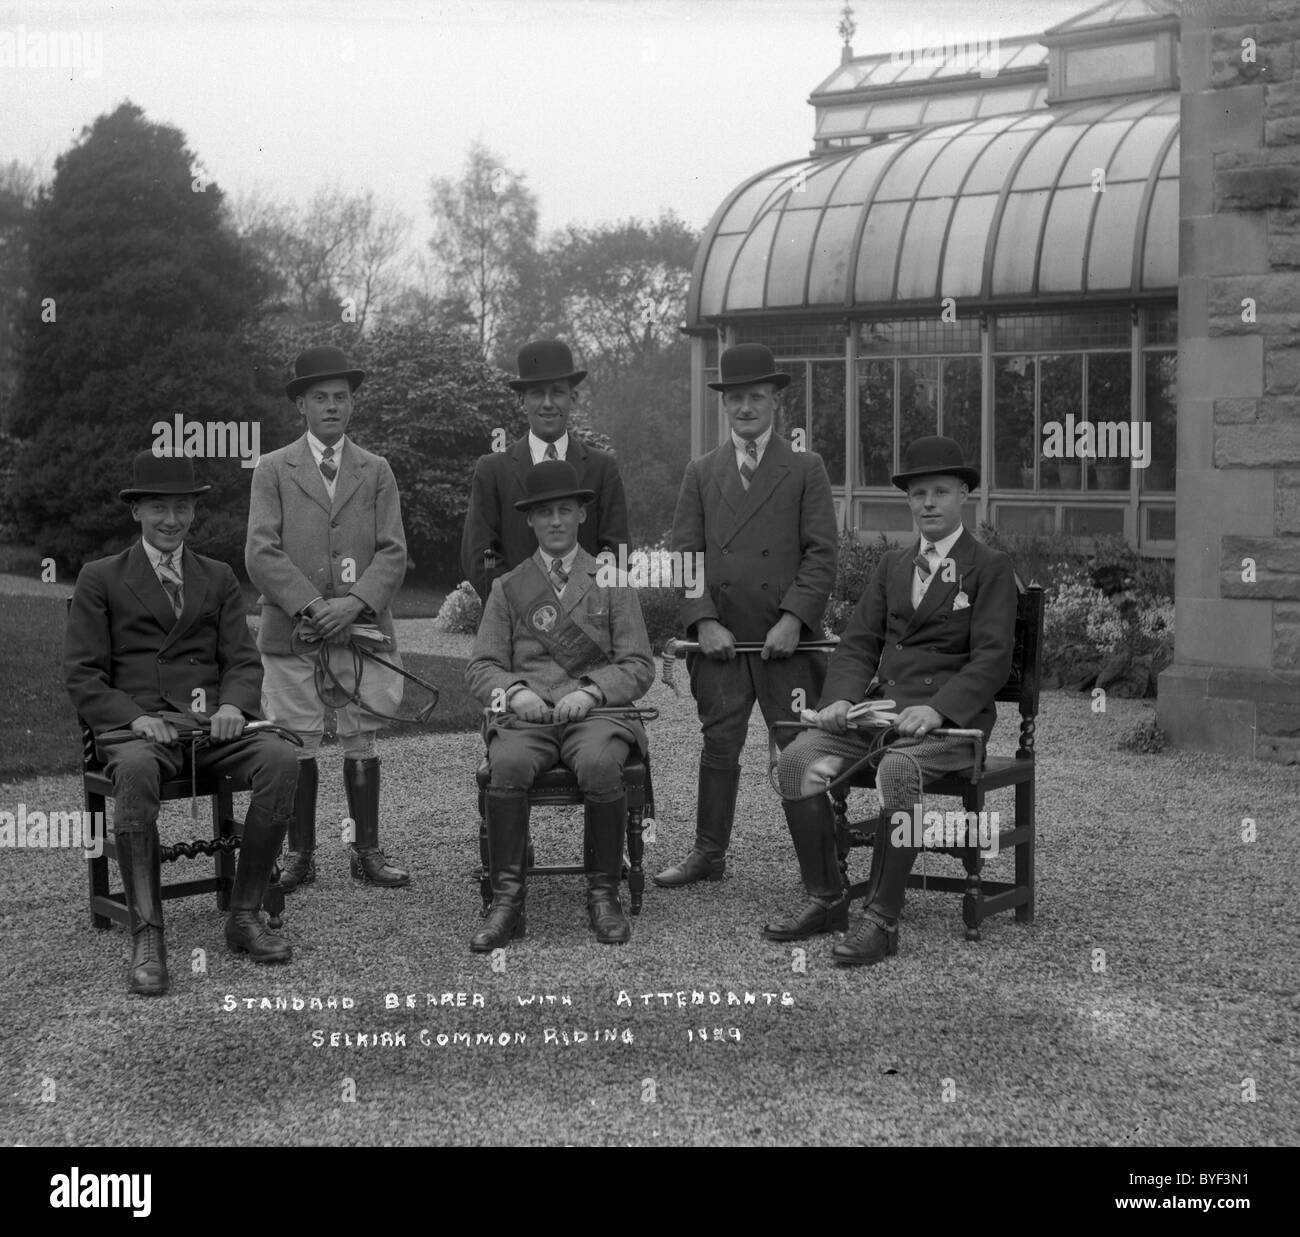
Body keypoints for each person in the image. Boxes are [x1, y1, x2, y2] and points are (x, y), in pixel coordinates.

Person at [769, 435, 1017, 964]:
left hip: (952, 727)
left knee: (899, 772)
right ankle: (828, 898)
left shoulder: (990, 567)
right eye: (918, 493)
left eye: (941, 492)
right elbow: (859, 643)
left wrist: (940, 708)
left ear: (964, 496)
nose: (928, 503)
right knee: (795, 763)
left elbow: (992, 658)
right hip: (879, 717)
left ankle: (881, 920)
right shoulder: (893, 566)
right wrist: (839, 697)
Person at [65, 453, 298, 996]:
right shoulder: (101, 578)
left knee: (282, 760)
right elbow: (82, 675)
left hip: (207, 731)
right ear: (138, 512)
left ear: (194, 512)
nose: (171, 520)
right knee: (138, 772)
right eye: (158, 508)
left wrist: (235, 707)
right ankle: (148, 935)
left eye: (182, 508)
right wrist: (137, 717)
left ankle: (243, 915)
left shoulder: (216, 577)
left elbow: (242, 659)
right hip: (138, 732)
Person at [654, 343, 838, 889]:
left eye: (756, 396)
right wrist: (704, 621)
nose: (745, 407)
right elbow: (686, 558)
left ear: (775, 402)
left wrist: (794, 619)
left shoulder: (806, 467)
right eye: (735, 398)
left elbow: (821, 553)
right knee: (719, 745)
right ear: (725, 404)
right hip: (723, 644)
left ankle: (823, 862)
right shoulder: (702, 471)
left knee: (802, 749)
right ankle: (708, 854)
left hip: (788, 643)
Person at [465, 459, 654, 951]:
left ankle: (604, 894)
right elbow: (481, 668)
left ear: (581, 516)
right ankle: (506, 901)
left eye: (565, 510)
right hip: (527, 718)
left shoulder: (611, 579)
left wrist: (590, 691)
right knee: (506, 764)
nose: (555, 520)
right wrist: (517, 692)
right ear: (529, 520)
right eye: (544, 512)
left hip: (594, 717)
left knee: (597, 765)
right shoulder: (509, 587)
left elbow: (638, 665)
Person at [246, 344, 410, 891]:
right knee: (299, 739)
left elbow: (392, 551)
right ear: (302, 406)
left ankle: (367, 851)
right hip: (296, 631)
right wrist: (314, 606)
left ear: (352, 405)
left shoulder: (377, 470)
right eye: (321, 397)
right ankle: (301, 854)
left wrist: (355, 603)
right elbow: (261, 552)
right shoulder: (272, 468)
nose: (332, 407)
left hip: (359, 629)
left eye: (341, 397)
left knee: (360, 735)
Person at [460, 339, 629, 605]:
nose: (548, 403)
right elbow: (480, 554)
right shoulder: (493, 470)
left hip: (586, 629)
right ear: (521, 401)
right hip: (512, 630)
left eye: (558, 392)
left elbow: (617, 550)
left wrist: (578, 607)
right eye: (538, 393)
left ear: (573, 398)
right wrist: (527, 608)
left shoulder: (602, 468)